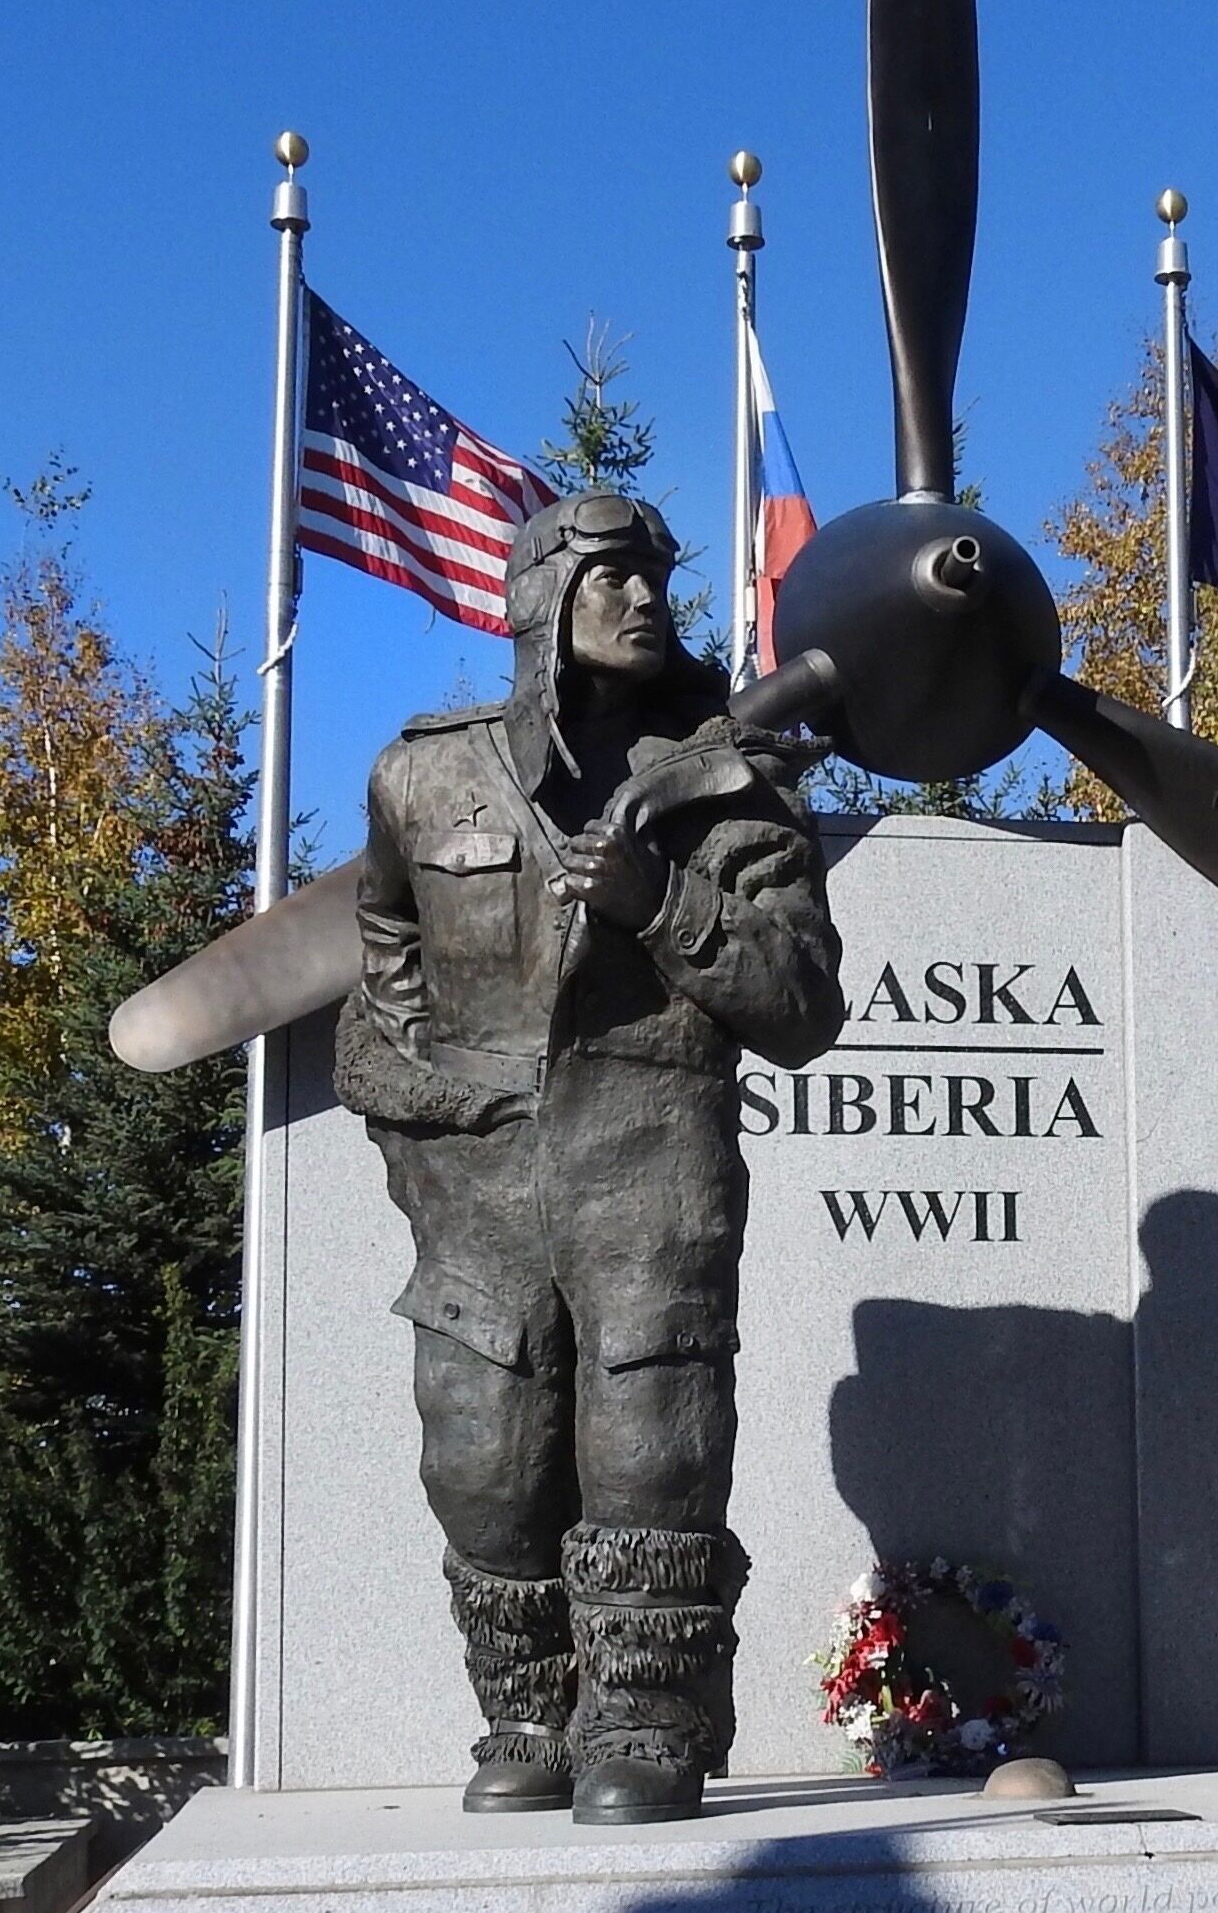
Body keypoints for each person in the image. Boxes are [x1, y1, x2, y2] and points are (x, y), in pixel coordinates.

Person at [334, 491, 845, 1823]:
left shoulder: (737, 784)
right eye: (613, 574)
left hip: (649, 1160)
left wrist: (659, 902)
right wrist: (428, 1124)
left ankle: (643, 1720)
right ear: (540, 596)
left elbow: (802, 1007)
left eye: (658, 577)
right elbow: (381, 963)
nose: (646, 598)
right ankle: (525, 1712)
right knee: (480, 1453)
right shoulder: (422, 774)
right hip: (481, 1181)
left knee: (651, 1446)